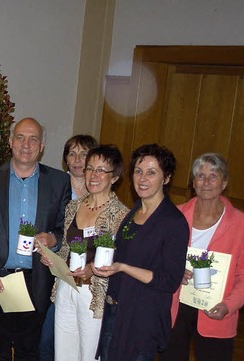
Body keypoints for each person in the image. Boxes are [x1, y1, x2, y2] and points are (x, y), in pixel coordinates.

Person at [0, 117, 71, 361]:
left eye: (33, 139)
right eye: (20, 137)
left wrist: (53, 239)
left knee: (30, 352)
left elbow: (65, 229)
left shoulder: (59, 182)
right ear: (10, 141)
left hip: (37, 280)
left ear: (42, 145)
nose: (26, 144)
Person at [93, 143, 189, 361]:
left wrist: (123, 267)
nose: (142, 178)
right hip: (116, 309)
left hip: (142, 319)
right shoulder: (135, 210)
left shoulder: (173, 222)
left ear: (166, 178)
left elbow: (169, 281)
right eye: (138, 171)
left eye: (151, 172)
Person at [42, 145, 129, 361]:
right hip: (66, 286)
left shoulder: (121, 215)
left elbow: (121, 259)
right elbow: (66, 246)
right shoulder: (74, 206)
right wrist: (52, 259)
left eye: (101, 170)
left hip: (94, 293)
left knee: (89, 355)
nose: (93, 175)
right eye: (90, 169)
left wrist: (92, 270)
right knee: (63, 353)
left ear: (115, 177)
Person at [160, 153, 244, 361]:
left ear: (224, 183)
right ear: (193, 183)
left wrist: (229, 305)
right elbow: (158, 260)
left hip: (217, 311)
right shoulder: (175, 216)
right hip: (175, 307)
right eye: (200, 176)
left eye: (213, 176)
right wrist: (173, 273)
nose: (206, 182)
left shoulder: (240, 224)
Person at [39, 134, 100, 361]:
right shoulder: (54, 185)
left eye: (84, 154)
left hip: (88, 281)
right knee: (48, 341)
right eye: (72, 153)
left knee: (81, 346)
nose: (77, 159)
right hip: (54, 275)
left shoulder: (99, 193)